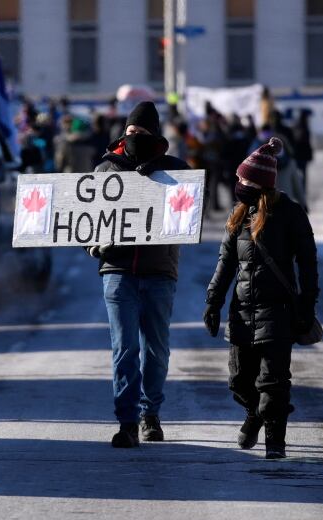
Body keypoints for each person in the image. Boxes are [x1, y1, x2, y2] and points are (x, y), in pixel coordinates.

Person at [203, 137, 318, 459]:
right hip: (241, 311)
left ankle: (275, 442)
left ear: (258, 184)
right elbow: (226, 262)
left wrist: (308, 304)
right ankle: (254, 414)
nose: (238, 183)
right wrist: (213, 302)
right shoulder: (239, 215)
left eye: (242, 179)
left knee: (274, 383)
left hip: (277, 311)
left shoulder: (290, 214)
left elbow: (308, 262)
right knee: (239, 381)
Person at [87, 101, 191, 448]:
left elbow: (187, 219)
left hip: (160, 272)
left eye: (142, 133)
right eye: (131, 132)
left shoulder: (175, 172)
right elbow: (85, 221)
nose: (135, 137)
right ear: (124, 133)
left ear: (155, 135)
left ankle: (151, 415)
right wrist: (94, 246)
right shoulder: (106, 171)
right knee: (125, 348)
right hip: (117, 273)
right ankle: (127, 422)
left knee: (156, 351)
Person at [291, 109, 313, 195]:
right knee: (302, 175)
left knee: (299, 175)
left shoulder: (296, 126)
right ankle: (301, 191)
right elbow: (306, 142)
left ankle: (299, 191)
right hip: (301, 156)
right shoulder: (304, 127)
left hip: (298, 155)